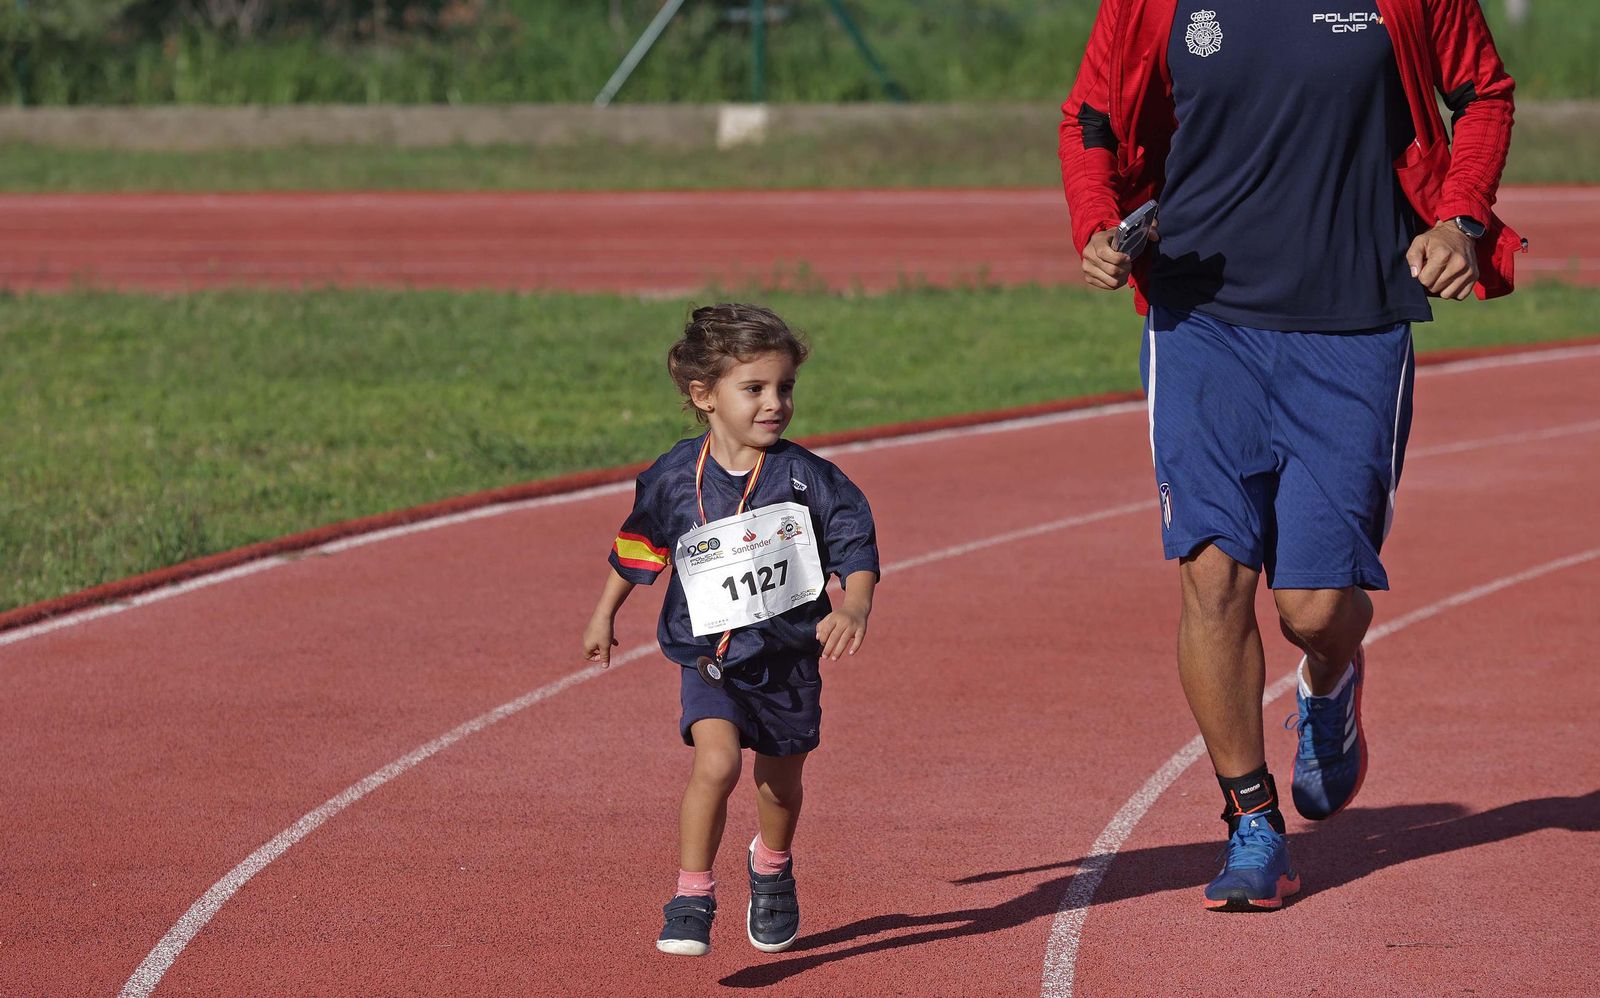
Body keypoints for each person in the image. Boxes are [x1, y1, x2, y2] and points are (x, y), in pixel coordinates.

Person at [1059, 0, 1520, 911]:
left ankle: (1329, 680)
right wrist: (1095, 220)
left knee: (1311, 606)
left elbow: (1485, 94)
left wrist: (1460, 220)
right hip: (1198, 319)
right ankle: (1252, 822)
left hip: (1353, 318)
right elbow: (1092, 119)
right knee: (1212, 571)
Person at [581, 303, 880, 954]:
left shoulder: (810, 480)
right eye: (755, 389)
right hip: (711, 658)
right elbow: (640, 545)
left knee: (779, 785)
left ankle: (771, 866)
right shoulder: (675, 478)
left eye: (785, 388)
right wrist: (606, 612)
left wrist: (853, 605)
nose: (775, 402)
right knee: (714, 764)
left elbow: (854, 544)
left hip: (788, 662)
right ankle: (692, 894)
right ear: (704, 395)